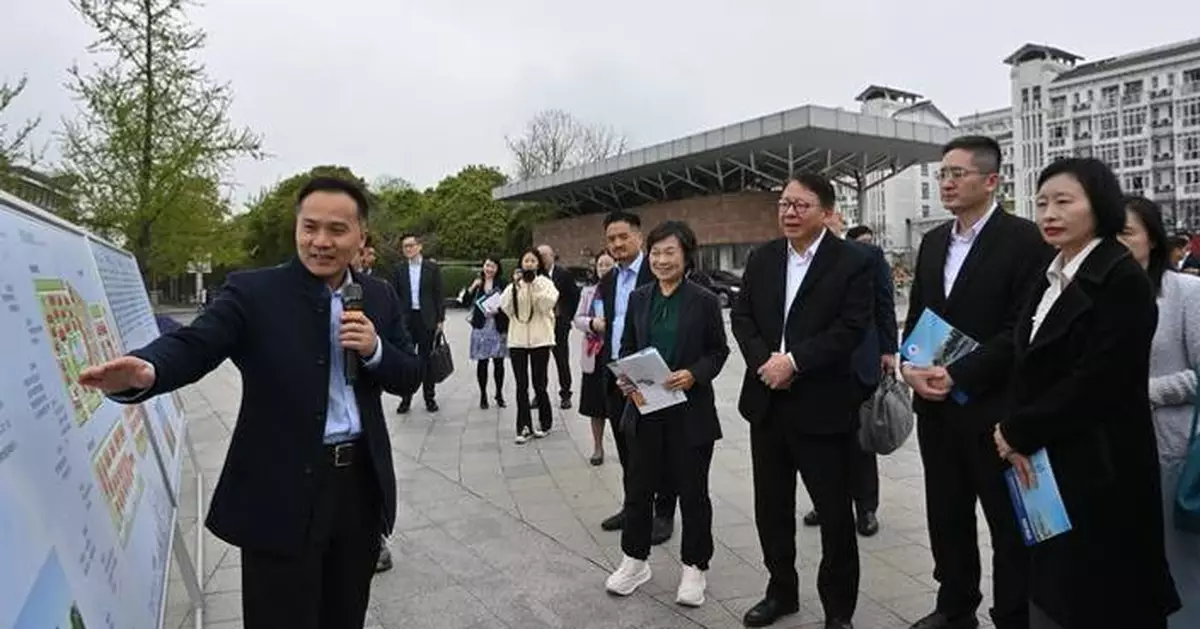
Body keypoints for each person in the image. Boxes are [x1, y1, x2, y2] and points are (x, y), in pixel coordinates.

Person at [77, 177, 421, 629]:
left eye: (336, 230)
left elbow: (409, 374)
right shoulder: (254, 293)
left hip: (357, 487)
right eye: (309, 227)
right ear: (297, 228)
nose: (320, 241)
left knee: (345, 613)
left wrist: (376, 350)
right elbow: (196, 344)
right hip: (279, 491)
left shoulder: (378, 296)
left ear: (361, 236)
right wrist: (149, 370)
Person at [992, 158, 1180, 628]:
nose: (1049, 213)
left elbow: (1100, 380)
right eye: (1041, 203)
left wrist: (1019, 429)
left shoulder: (1122, 280)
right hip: (1047, 460)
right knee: (1057, 589)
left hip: (1102, 464)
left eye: (1063, 201)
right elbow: (1028, 360)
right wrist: (1013, 432)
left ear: (1099, 206)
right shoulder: (1050, 273)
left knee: (1107, 595)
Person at [901, 136, 1050, 629]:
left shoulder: (1025, 240)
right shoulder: (933, 242)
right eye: (943, 173)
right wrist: (909, 368)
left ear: (991, 181)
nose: (946, 182)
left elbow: (1021, 329)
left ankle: (1012, 614)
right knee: (946, 513)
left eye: (957, 173)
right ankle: (955, 604)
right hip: (937, 409)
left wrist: (960, 372)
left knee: (1008, 523)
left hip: (995, 409)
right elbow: (918, 316)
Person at [731, 173, 874, 629]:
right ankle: (781, 591)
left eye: (801, 205)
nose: (789, 213)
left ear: (827, 212)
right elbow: (743, 316)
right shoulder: (763, 258)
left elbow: (851, 328)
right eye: (784, 204)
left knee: (834, 515)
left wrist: (794, 362)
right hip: (768, 404)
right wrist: (766, 364)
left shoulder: (853, 261)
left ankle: (838, 610)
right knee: (771, 509)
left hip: (824, 407)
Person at [604, 220, 729, 607]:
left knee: (693, 493)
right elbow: (627, 345)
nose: (661, 259)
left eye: (669, 252)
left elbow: (718, 351)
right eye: (656, 252)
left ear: (686, 255)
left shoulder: (704, 300)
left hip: (690, 413)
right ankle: (635, 560)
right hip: (645, 410)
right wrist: (624, 378)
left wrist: (694, 374)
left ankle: (694, 567)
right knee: (638, 490)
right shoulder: (641, 297)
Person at [1118, 196, 1200, 628]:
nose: (1116, 243)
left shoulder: (1185, 292)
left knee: (1178, 564)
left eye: (1126, 233)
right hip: (1110, 453)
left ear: (1152, 237)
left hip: (1170, 451)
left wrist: (1142, 392)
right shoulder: (1094, 296)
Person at [803, 211, 898, 537]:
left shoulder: (867, 256)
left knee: (860, 441)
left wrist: (888, 350)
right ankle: (826, 502)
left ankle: (866, 507)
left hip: (860, 362)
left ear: (836, 218)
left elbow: (885, 303)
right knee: (821, 443)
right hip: (817, 367)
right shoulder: (802, 258)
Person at [595, 210, 677, 545]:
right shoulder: (610, 279)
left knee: (659, 447)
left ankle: (664, 512)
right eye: (611, 239)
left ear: (638, 238)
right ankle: (634, 506)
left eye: (622, 237)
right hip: (618, 372)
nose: (616, 244)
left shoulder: (656, 270)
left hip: (651, 372)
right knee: (627, 443)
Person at [501, 248, 559, 443]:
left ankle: (545, 421)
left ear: (538, 264)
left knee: (540, 382)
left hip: (541, 339)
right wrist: (516, 286)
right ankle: (523, 425)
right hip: (517, 339)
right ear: (521, 263)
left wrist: (534, 286)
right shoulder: (514, 285)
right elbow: (506, 309)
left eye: (533, 261)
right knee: (521, 385)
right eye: (526, 261)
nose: (529, 264)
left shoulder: (545, 283)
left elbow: (546, 305)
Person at [390, 233, 444, 413]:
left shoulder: (431, 268)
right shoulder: (398, 269)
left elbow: (438, 295)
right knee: (407, 359)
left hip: (426, 318)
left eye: (411, 245)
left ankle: (430, 397)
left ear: (420, 247)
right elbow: (395, 296)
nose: (408, 249)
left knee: (426, 359)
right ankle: (405, 398)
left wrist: (440, 319)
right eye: (405, 246)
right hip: (406, 319)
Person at [574, 250, 617, 465]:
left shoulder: (624, 290)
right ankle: (598, 447)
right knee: (594, 404)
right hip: (595, 353)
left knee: (619, 403)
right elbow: (577, 318)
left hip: (617, 353)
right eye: (601, 265)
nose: (604, 269)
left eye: (608, 265)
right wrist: (592, 324)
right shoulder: (589, 292)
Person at [462, 255, 509, 410]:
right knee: (482, 362)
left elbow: (508, 303)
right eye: (487, 265)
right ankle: (483, 394)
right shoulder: (478, 283)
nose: (489, 269)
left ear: (497, 269)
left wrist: (498, 309)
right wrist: (472, 287)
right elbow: (463, 301)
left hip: (497, 325)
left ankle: (499, 393)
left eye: (493, 266)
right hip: (481, 326)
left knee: (499, 362)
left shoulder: (502, 283)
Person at [539, 244, 582, 410]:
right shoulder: (536, 276)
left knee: (562, 360)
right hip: (541, 325)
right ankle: (540, 393)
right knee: (540, 362)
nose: (542, 259)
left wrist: (567, 317)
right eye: (540, 256)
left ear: (552, 256)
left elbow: (574, 296)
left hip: (559, 325)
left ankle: (565, 393)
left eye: (545, 255)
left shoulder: (563, 274)